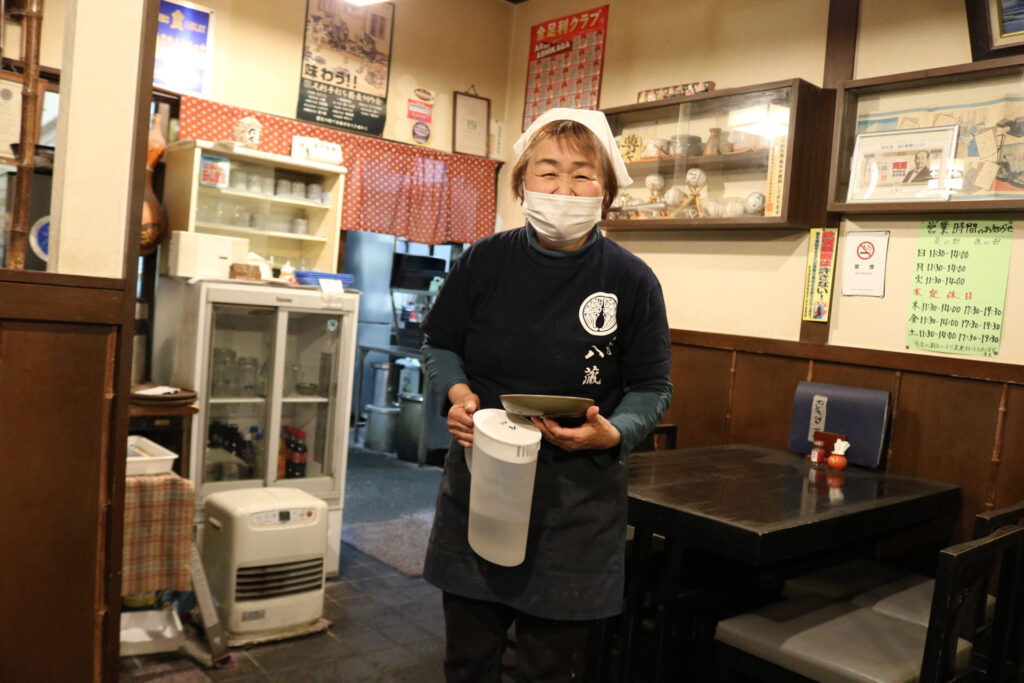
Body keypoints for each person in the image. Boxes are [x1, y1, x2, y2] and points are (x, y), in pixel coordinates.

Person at [420, 108, 673, 682]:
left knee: (551, 671)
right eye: (548, 172)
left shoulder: (631, 280)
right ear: (522, 184)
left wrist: (615, 432)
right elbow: (439, 343)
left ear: (605, 192)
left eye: (583, 175)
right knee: (468, 662)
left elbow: (652, 386)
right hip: (481, 483)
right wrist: (459, 394)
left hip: (577, 502)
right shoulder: (485, 260)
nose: (564, 188)